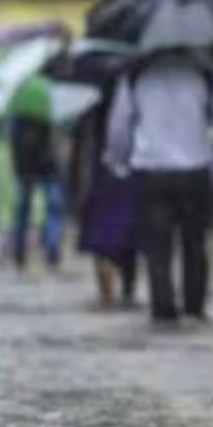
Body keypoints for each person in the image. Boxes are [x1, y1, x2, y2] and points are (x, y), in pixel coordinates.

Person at [105, 50, 213, 327]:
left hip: (153, 171)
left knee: (157, 246)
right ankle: (193, 307)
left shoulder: (136, 76)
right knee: (195, 243)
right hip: (196, 168)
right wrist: (208, 136)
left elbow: (119, 126)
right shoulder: (205, 73)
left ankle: (163, 309)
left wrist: (119, 162)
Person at [76, 83, 138, 311]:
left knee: (102, 241)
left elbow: (82, 147)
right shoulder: (132, 93)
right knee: (126, 238)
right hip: (125, 174)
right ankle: (125, 293)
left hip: (101, 177)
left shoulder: (89, 105)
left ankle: (107, 296)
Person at [8, 106, 65, 271]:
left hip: (25, 167)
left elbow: (12, 140)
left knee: (23, 210)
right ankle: (51, 247)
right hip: (47, 166)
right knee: (52, 208)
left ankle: (20, 250)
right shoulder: (51, 107)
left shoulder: (18, 112)